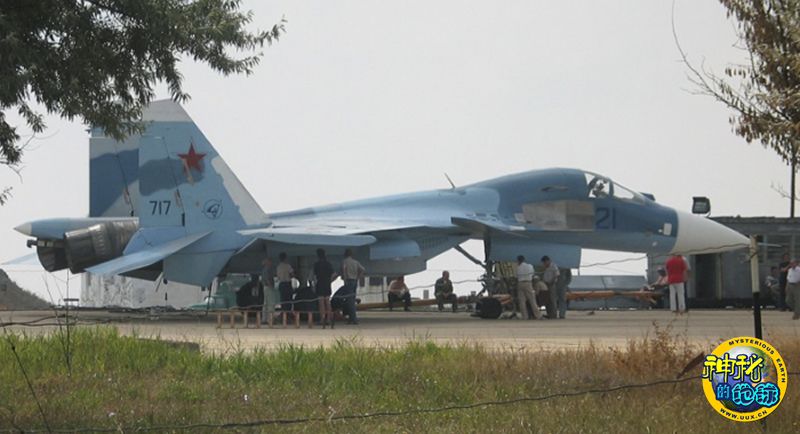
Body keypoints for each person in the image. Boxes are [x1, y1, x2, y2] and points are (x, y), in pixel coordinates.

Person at [313, 248, 337, 328]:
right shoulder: (328, 264)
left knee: (321, 303)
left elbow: (314, 276)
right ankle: (329, 319)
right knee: (327, 302)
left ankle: (322, 319)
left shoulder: (316, 264)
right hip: (327, 284)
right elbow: (334, 274)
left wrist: (314, 284)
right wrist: (330, 281)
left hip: (320, 284)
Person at [340, 248, 365, 324]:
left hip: (348, 281)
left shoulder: (344, 261)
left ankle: (353, 318)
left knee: (349, 300)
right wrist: (358, 277)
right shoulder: (355, 262)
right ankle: (352, 318)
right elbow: (363, 269)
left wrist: (344, 279)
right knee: (352, 299)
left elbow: (344, 270)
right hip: (354, 281)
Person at [515, 255, 541, 320]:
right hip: (528, 283)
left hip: (520, 283)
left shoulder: (518, 267)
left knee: (522, 301)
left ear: (518, 260)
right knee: (532, 300)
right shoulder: (530, 266)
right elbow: (533, 275)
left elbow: (517, 276)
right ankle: (538, 315)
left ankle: (524, 316)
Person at [261, 258, 280, 327]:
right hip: (269, 287)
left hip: (265, 287)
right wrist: (271, 285)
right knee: (271, 303)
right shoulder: (268, 269)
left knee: (265, 304)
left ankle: (264, 319)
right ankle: (270, 319)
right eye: (270, 261)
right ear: (268, 262)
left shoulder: (264, 269)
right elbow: (268, 279)